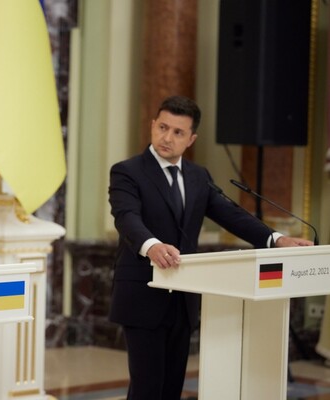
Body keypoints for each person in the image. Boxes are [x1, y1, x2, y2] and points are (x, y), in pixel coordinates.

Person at [107, 95, 312, 400]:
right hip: (142, 294)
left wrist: (276, 239)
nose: (167, 137)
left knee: (171, 388)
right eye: (162, 127)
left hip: (183, 298)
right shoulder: (127, 171)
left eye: (178, 132)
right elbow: (127, 217)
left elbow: (232, 215)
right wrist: (151, 246)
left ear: (191, 139)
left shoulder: (198, 176)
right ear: (152, 125)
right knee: (147, 389)